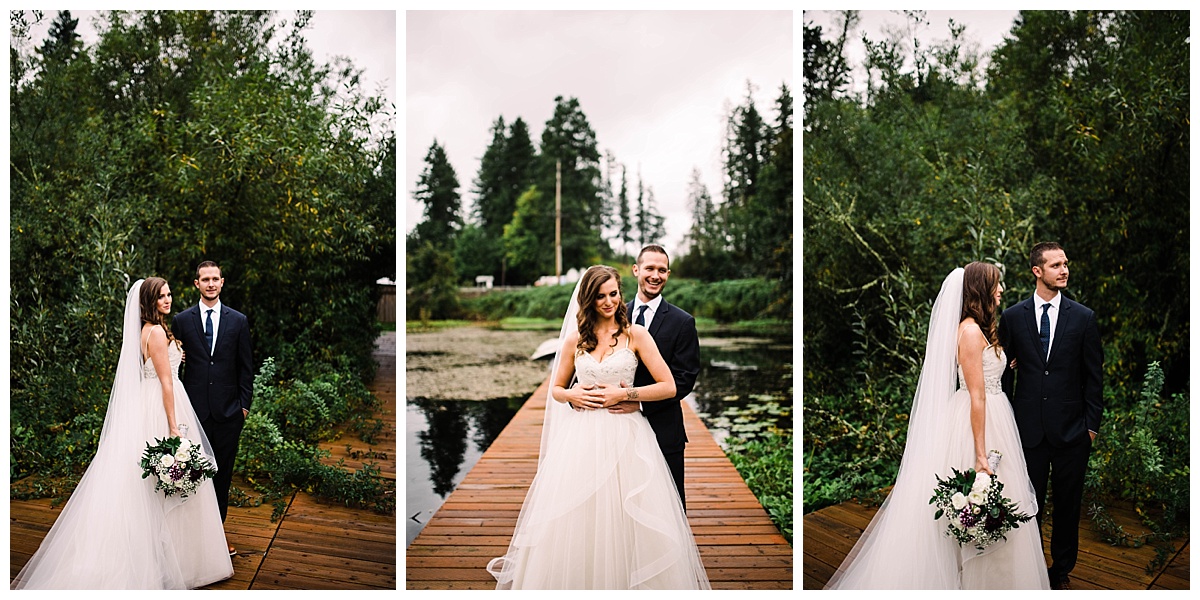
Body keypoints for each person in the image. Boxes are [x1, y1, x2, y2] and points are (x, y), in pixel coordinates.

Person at [825, 263, 1050, 589]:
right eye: (996, 285)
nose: (1001, 291)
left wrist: (1004, 361)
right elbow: (977, 396)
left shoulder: (981, 329)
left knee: (999, 506)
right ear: (979, 291)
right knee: (982, 502)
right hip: (980, 422)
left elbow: (987, 373)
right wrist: (981, 455)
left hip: (996, 415)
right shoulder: (971, 332)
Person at [486, 265, 710, 589]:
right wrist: (571, 393)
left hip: (626, 434)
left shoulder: (637, 335)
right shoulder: (575, 338)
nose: (608, 302)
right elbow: (557, 389)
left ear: (621, 292)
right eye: (600, 296)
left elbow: (669, 386)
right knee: (580, 514)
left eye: (614, 294)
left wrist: (627, 393)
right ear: (588, 300)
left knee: (625, 513)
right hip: (582, 438)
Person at [12, 278, 234, 589]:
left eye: (169, 295)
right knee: (171, 478)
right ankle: (181, 564)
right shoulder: (155, 332)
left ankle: (166, 557)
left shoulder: (145, 331)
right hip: (163, 406)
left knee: (152, 485)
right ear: (149, 301)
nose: (168, 300)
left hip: (147, 403)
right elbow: (167, 382)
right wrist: (173, 426)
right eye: (161, 297)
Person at [999, 242, 1103, 590]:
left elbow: (1094, 377)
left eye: (1066, 264)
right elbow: (1003, 373)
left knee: (1068, 507)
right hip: (1027, 432)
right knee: (1028, 506)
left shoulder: (1083, 317)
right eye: (1056, 265)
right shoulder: (1013, 317)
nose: (1064, 270)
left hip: (1073, 433)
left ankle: (1060, 574)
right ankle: (1028, 571)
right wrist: (1008, 423)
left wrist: (1091, 428)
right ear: (1037, 271)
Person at [609, 244, 700, 509]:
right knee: (622, 504)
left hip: (663, 427)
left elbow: (684, 379)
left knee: (669, 507)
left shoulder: (682, 322)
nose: (655, 275)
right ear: (636, 270)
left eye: (662, 270)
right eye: (649, 268)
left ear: (668, 274)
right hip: (616, 428)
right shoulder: (613, 315)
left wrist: (638, 401)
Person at [173, 261, 254, 556]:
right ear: (196, 283)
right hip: (192, 413)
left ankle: (218, 534)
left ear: (222, 282)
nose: (210, 283)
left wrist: (243, 408)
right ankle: (189, 537)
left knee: (222, 475)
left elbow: (246, 369)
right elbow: (175, 369)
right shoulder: (181, 320)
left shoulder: (238, 321)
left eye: (215, 279)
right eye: (204, 279)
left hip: (228, 414)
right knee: (189, 473)